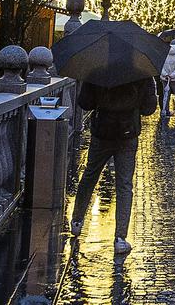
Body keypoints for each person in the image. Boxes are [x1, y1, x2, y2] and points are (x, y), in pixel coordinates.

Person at [70, 77, 157, 255]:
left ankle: (77, 221)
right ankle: (120, 239)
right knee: (124, 185)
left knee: (90, 175)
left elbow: (85, 103)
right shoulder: (141, 71)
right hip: (127, 133)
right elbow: (149, 108)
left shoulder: (99, 69)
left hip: (102, 131)